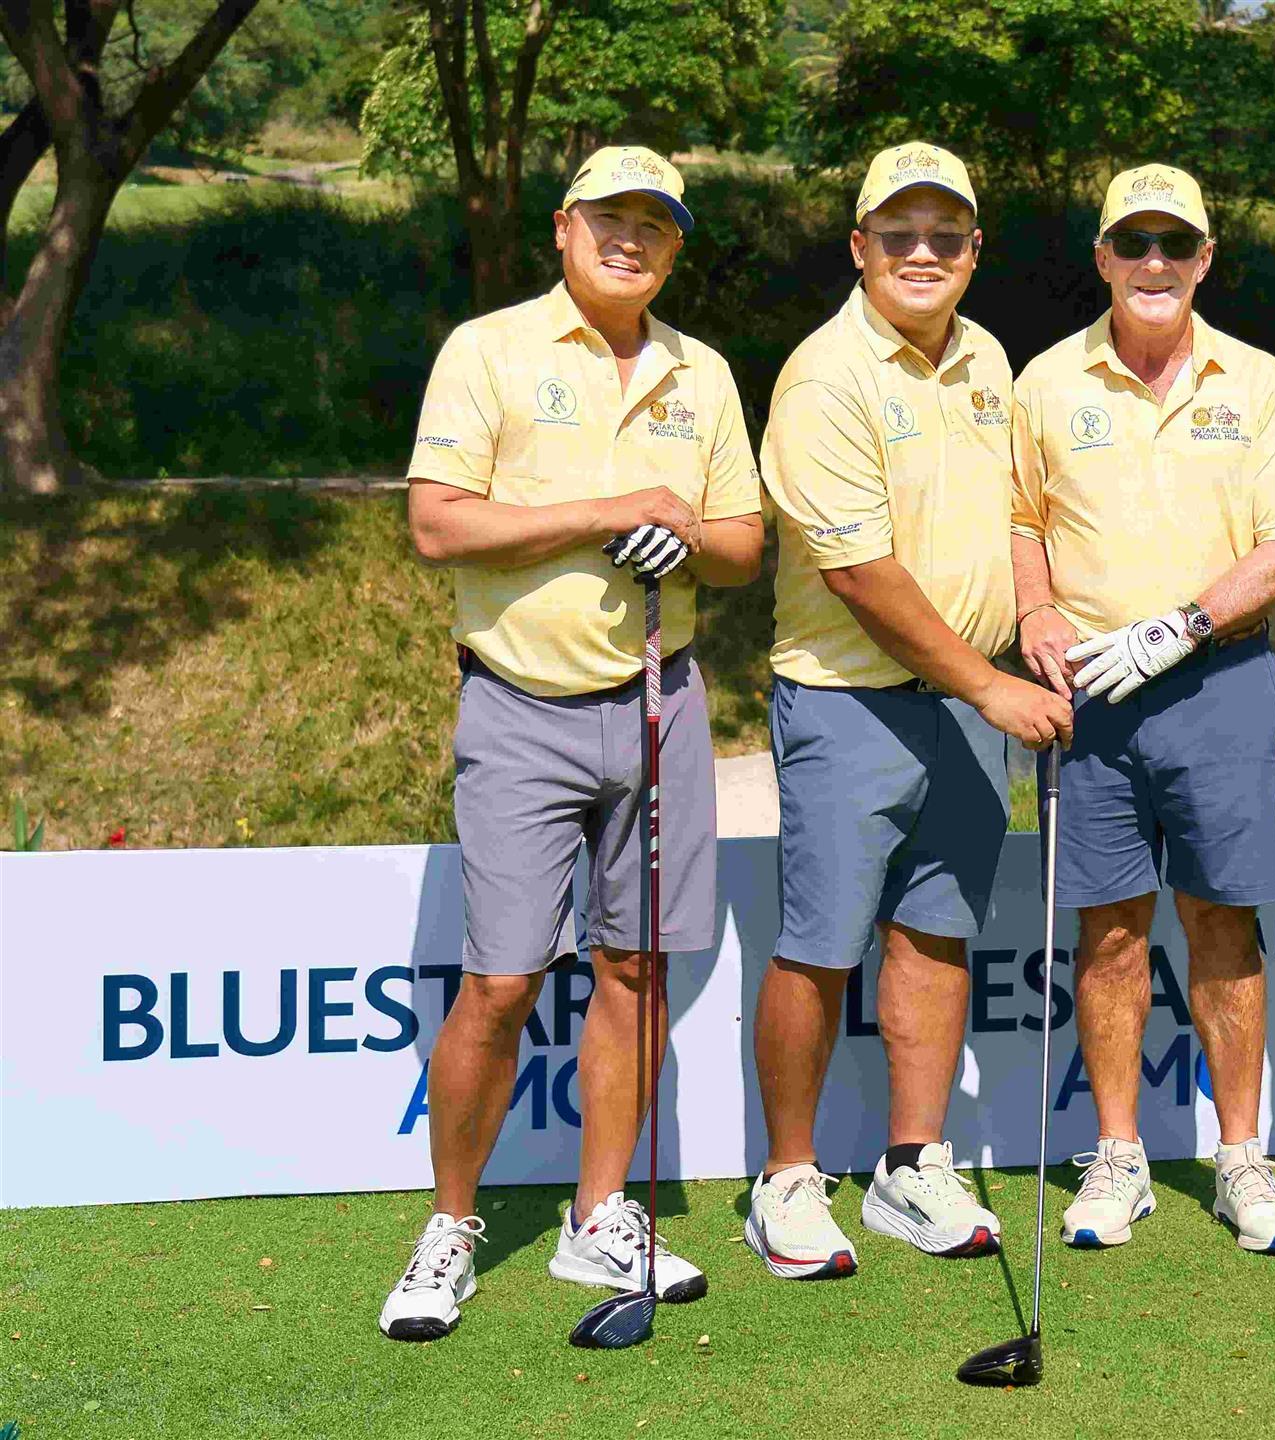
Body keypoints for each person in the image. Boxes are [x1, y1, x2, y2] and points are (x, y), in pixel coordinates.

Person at [379, 147, 765, 1339]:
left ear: (676, 246)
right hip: (520, 704)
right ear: (564, 227)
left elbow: (743, 545)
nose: (630, 237)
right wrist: (610, 514)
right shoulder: (488, 350)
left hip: (659, 702)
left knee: (637, 970)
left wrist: (683, 536)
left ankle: (598, 1217)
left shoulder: (703, 373)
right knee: (501, 983)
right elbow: (437, 524)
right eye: (610, 217)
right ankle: (451, 1226)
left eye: (655, 223)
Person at [746, 143, 1073, 1280]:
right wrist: (991, 685)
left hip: (971, 697)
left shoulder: (988, 357)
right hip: (851, 699)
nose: (922, 253)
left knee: (936, 932)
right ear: (860, 247)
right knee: (818, 946)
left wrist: (1029, 624)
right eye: (899, 235)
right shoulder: (824, 376)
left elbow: (1018, 516)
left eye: (945, 236)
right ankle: (788, 1178)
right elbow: (860, 575)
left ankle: (909, 1162)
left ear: (976, 252)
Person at [1011, 164, 1275, 1254]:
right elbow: (1021, 521)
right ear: (1102, 257)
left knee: (1222, 923)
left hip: (1219, 680)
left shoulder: (1260, 381)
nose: (1155, 264)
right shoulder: (1046, 381)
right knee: (1107, 932)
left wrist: (1183, 626)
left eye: (1175, 245)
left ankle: (1241, 1157)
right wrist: (1036, 609)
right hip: (1092, 689)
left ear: (1205, 259)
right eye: (1134, 244)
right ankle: (1119, 1155)